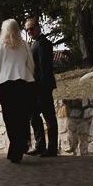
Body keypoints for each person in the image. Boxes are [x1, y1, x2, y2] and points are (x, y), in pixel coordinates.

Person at [0, 19, 35, 163]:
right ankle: (19, 146)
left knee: (9, 118)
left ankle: (16, 147)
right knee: (22, 117)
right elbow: (31, 64)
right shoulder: (24, 44)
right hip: (23, 82)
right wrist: (28, 75)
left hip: (6, 83)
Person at [24, 19, 58, 157]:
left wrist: (42, 86)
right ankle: (40, 146)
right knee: (34, 116)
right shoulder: (36, 43)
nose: (29, 32)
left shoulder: (43, 43)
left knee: (49, 117)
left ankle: (51, 149)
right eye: (27, 30)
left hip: (43, 87)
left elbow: (44, 67)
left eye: (31, 28)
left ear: (38, 27)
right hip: (36, 88)